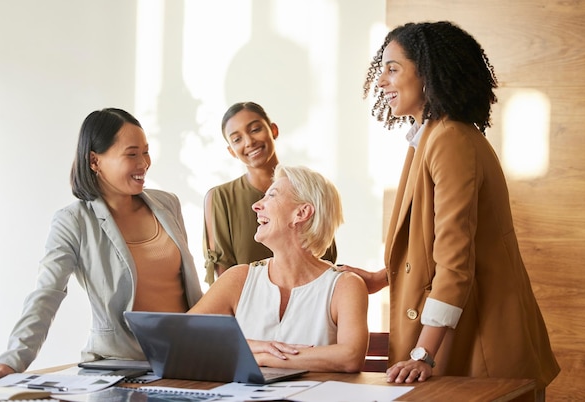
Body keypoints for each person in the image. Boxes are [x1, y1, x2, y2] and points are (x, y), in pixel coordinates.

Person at [342, 21, 560, 390]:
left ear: (426, 73)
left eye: (393, 69)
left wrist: (423, 353)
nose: (381, 82)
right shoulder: (432, 137)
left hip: (481, 346)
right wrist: (383, 277)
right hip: (466, 334)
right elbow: (435, 241)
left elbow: (455, 258)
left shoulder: (449, 140)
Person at [0, 108, 203, 382]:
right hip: (120, 367)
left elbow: (186, 288)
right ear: (95, 161)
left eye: (146, 151)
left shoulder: (167, 204)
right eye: (132, 154)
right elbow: (47, 294)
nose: (144, 162)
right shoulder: (73, 221)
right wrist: (13, 359)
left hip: (186, 360)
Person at [191, 165, 369, 373]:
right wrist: (251, 347)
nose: (256, 205)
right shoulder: (238, 278)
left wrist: (265, 357)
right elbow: (180, 335)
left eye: (271, 196)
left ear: (301, 213)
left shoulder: (345, 286)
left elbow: (349, 357)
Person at [203, 102, 337, 284]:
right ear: (231, 151)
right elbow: (224, 277)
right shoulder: (220, 198)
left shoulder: (309, 187)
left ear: (273, 130)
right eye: (237, 139)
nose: (249, 142)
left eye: (255, 129)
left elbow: (325, 256)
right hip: (247, 308)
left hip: (311, 303)